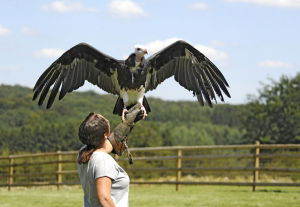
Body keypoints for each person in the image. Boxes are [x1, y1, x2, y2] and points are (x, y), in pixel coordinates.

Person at [77, 104, 143, 207]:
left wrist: (127, 124)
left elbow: (108, 143)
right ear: (105, 135)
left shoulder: (84, 152)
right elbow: (104, 198)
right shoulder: (102, 161)